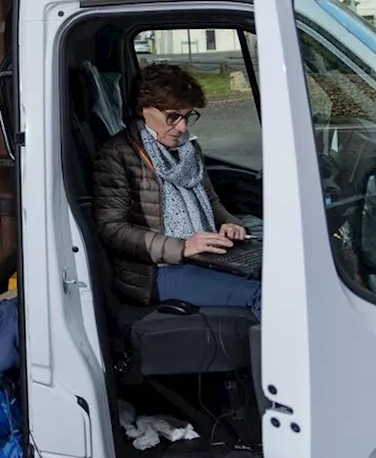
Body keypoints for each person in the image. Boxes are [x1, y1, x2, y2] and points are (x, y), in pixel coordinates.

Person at [92, 63, 261, 319]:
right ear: (144, 109)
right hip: (155, 273)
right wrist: (182, 247)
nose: (182, 128)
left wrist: (229, 223)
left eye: (187, 116)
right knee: (265, 294)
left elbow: (213, 204)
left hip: (205, 257)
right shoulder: (118, 154)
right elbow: (112, 229)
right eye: (173, 117)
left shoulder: (189, 150)